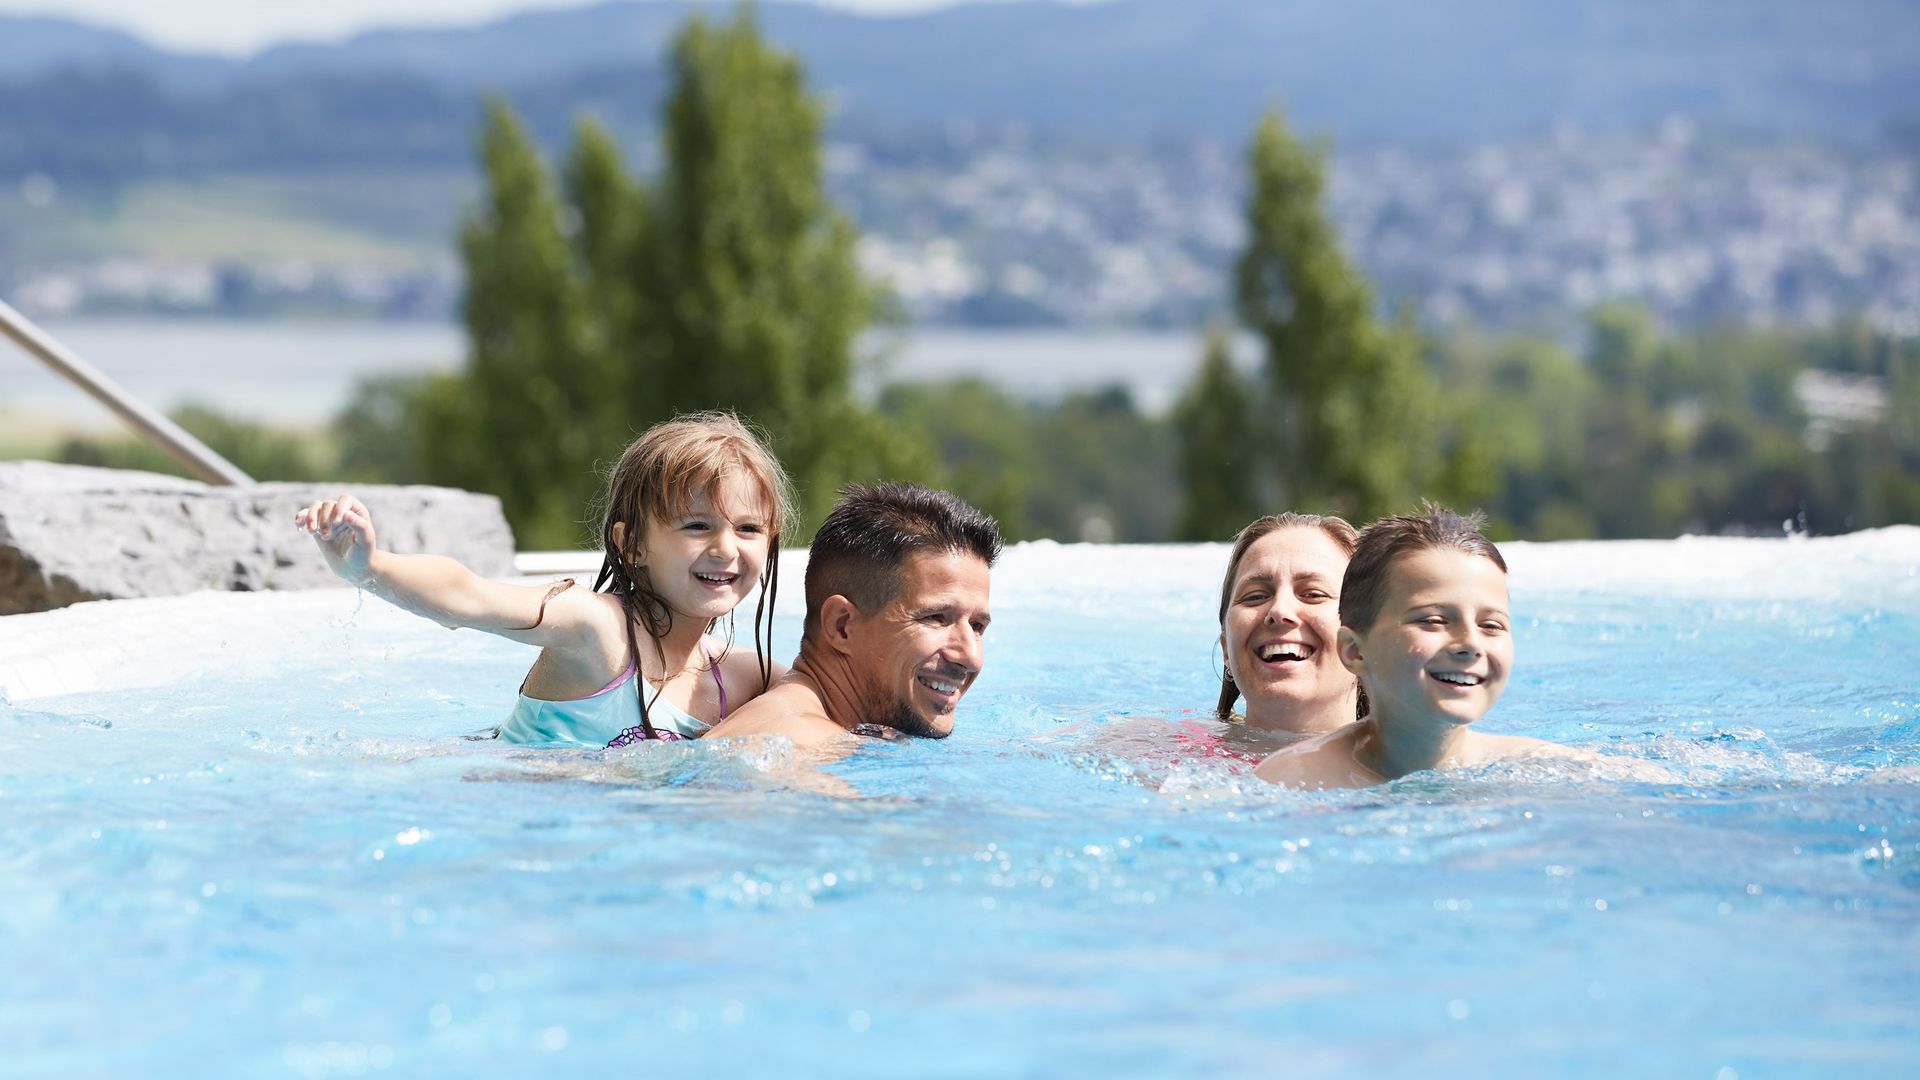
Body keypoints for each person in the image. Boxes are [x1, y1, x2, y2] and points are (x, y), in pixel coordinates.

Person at [294, 412, 792, 746]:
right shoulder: (596, 630)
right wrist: (370, 567)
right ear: (632, 543)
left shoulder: (748, 679)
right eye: (696, 525)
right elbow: (468, 594)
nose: (726, 548)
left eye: (748, 528)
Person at [1255, 504, 1561, 788]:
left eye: (1491, 625)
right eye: (1433, 621)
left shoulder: (1546, 771)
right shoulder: (1291, 779)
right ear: (1354, 651)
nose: (1470, 644)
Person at [701, 482, 1001, 751]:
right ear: (841, 625)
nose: (970, 657)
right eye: (936, 618)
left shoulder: (837, 731)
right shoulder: (798, 750)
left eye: (976, 626)